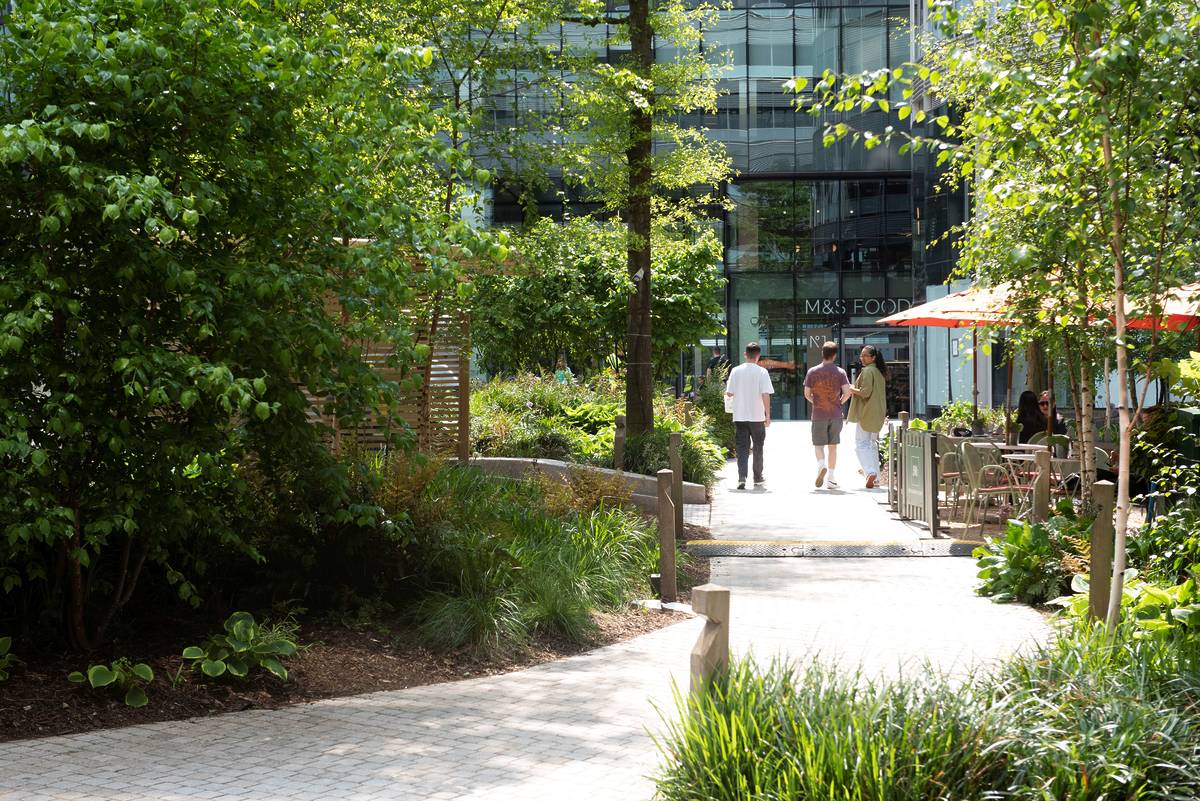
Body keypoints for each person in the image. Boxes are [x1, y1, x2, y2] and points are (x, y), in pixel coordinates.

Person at [724, 342, 774, 490]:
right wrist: (768, 414)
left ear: (745, 355)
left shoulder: (735, 371)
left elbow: (729, 393)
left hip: (739, 415)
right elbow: (765, 394)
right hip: (757, 416)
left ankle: (741, 478)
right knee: (758, 447)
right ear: (758, 356)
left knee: (741, 447)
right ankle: (758, 478)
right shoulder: (762, 372)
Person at [804, 341, 852, 489]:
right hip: (836, 414)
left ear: (822, 353)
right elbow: (848, 392)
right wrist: (839, 402)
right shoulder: (840, 372)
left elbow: (806, 394)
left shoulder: (812, 371)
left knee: (818, 445)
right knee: (833, 447)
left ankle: (821, 464)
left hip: (819, 414)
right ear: (835, 355)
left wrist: (815, 401)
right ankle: (831, 478)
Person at [845, 345, 888, 488]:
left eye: (865, 356)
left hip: (866, 412)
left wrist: (851, 389)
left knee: (861, 444)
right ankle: (875, 477)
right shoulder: (879, 372)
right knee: (872, 445)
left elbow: (865, 392)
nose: (861, 358)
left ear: (873, 357)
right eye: (861, 355)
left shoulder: (868, 371)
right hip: (878, 413)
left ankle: (870, 472)